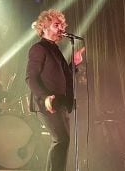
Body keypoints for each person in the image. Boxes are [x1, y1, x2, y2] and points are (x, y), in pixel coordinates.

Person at [25, 9, 85, 171]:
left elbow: (63, 76)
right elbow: (30, 78)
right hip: (47, 103)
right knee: (61, 140)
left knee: (63, 141)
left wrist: (74, 64)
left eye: (62, 25)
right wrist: (44, 97)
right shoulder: (39, 48)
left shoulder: (55, 49)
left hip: (61, 103)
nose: (61, 29)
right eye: (56, 25)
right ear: (44, 27)